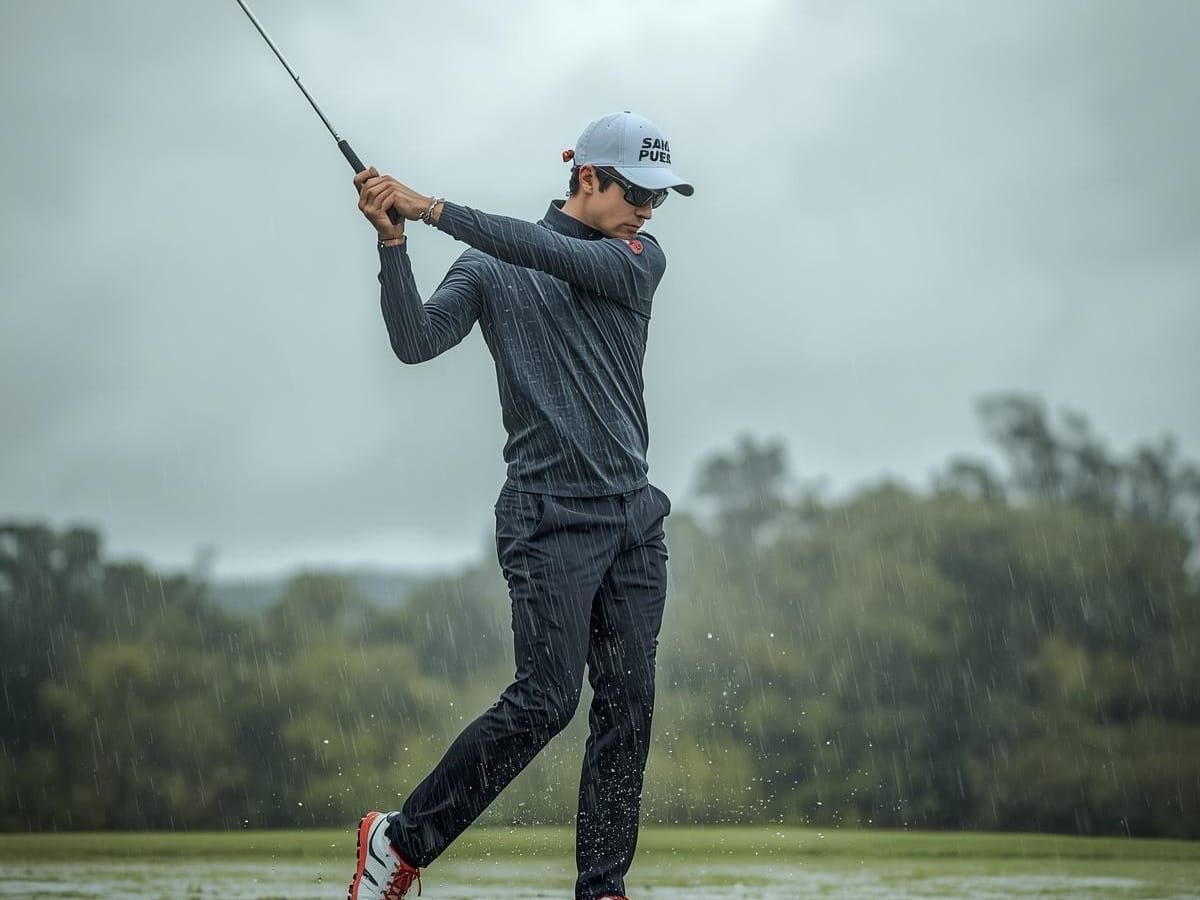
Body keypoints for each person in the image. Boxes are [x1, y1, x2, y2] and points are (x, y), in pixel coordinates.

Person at [347, 111, 694, 900]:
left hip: (633, 519)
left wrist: (433, 207)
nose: (648, 211)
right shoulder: (487, 266)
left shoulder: (637, 259)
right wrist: (395, 243)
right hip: (548, 517)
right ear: (587, 178)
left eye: (659, 198)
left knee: (630, 704)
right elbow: (415, 341)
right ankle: (400, 840)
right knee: (545, 702)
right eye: (638, 193)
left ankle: (603, 887)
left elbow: (546, 251)